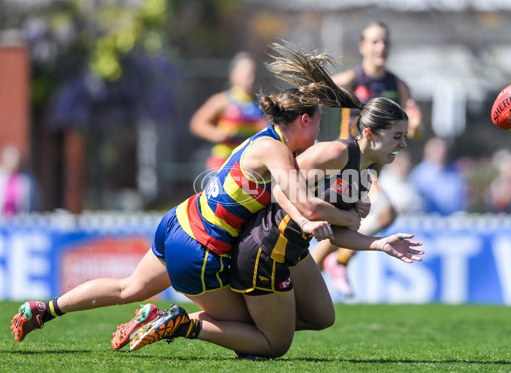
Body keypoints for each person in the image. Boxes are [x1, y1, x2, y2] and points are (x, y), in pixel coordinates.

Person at [9, 41, 363, 348]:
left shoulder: (265, 140)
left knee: (128, 288)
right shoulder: (277, 151)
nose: (319, 132)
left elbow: (287, 197)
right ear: (304, 120)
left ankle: (44, 309)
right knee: (259, 331)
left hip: (179, 222)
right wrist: (350, 216)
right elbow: (303, 202)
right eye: (317, 122)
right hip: (200, 250)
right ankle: (165, 319)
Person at [124, 93, 424, 358]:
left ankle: (196, 324)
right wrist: (310, 219)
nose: (404, 143)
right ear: (371, 133)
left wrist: (379, 243)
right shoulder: (334, 153)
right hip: (265, 250)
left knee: (321, 317)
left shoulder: (370, 169)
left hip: (292, 249)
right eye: (397, 136)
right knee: (274, 345)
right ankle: (183, 324)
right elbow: (281, 189)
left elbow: (340, 232)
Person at [312, 20, 424, 296]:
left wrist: (418, 125)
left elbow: (414, 132)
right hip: (351, 168)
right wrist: (309, 133)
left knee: (343, 225)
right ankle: (334, 263)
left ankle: (309, 281)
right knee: (384, 213)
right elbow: (312, 96)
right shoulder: (352, 80)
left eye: (385, 41)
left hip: (370, 175)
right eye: (374, 41)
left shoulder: (398, 85)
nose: (381, 47)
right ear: (363, 46)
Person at [189, 52, 268, 170]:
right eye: (246, 73)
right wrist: (216, 134)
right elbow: (196, 123)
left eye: (253, 73)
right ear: (233, 75)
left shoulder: (262, 104)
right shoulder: (222, 101)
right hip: (222, 164)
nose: (250, 78)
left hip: (248, 166)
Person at [409, 137, 467, 215]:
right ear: (427, 151)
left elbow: (460, 199)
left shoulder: (454, 173)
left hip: (451, 220)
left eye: (443, 150)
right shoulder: (418, 175)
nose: (441, 153)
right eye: (437, 150)